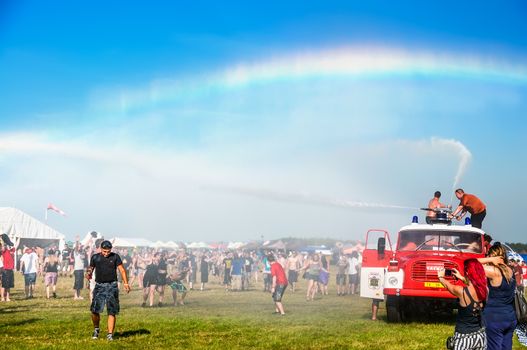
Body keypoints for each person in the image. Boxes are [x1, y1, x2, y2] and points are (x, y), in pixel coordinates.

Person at [437, 259, 487, 349]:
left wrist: (441, 277)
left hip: (464, 338)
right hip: (481, 336)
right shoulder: (485, 290)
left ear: (467, 273)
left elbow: (448, 286)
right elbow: (475, 285)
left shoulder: (462, 291)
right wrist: (461, 277)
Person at [86, 240, 130, 341]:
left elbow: (122, 270)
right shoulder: (95, 257)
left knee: (112, 311)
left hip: (112, 286)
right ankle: (96, 329)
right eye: (104, 251)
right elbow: (90, 268)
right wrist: (88, 274)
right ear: (101, 249)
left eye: (108, 251)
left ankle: (110, 334)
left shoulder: (115, 257)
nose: (106, 253)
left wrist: (126, 283)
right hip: (99, 286)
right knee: (94, 311)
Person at [478, 242, 517, 350]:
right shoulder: (510, 270)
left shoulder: (494, 271)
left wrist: (489, 260)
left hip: (495, 318)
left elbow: (469, 264)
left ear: (492, 257)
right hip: (510, 316)